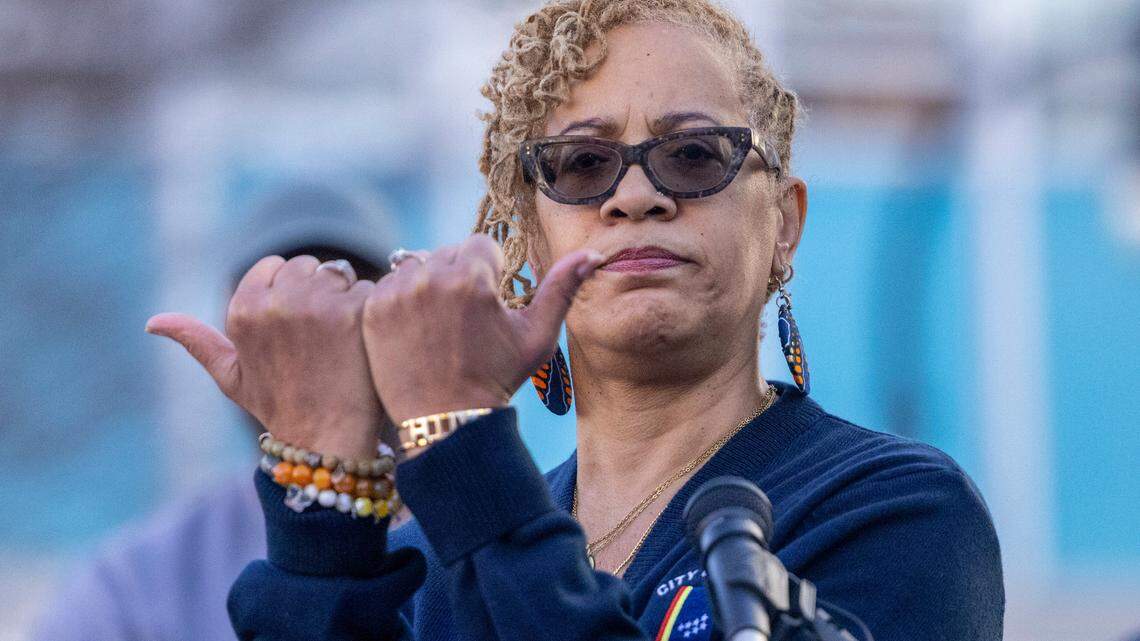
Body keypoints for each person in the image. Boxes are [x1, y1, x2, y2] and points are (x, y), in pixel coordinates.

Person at [147, 2, 1005, 639]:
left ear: (783, 220)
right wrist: (319, 467)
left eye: (694, 155)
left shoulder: (902, 514)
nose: (637, 195)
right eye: (584, 164)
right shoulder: (454, 553)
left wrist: (457, 435)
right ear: (528, 235)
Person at [31, 183, 397, 641]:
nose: (316, 343)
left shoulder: (472, 541)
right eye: (279, 319)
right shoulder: (138, 583)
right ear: (231, 340)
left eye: (350, 306)